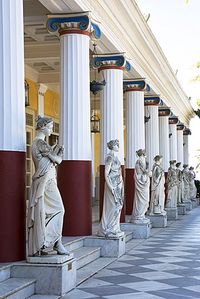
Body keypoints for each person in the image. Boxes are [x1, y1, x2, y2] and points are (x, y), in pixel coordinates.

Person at [27, 116, 69, 256]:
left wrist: (54, 151)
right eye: (50, 127)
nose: (51, 130)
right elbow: (57, 160)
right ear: (43, 126)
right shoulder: (40, 143)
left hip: (45, 181)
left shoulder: (36, 144)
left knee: (45, 213)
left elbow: (48, 160)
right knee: (59, 210)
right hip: (46, 182)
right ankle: (56, 242)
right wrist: (60, 152)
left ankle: (44, 243)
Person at [97, 139, 124, 238]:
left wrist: (121, 184)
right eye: (117, 145)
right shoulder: (109, 157)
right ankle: (108, 227)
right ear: (113, 146)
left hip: (118, 184)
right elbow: (106, 173)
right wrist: (110, 186)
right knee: (113, 206)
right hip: (112, 184)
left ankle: (115, 227)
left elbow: (119, 172)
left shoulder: (116, 157)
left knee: (119, 205)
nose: (118, 146)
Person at [131, 149, 151, 222]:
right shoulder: (141, 161)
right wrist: (149, 173)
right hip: (142, 181)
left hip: (143, 180)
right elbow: (145, 171)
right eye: (145, 153)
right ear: (143, 154)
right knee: (143, 199)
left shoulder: (140, 161)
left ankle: (141, 215)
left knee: (143, 199)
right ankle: (139, 215)